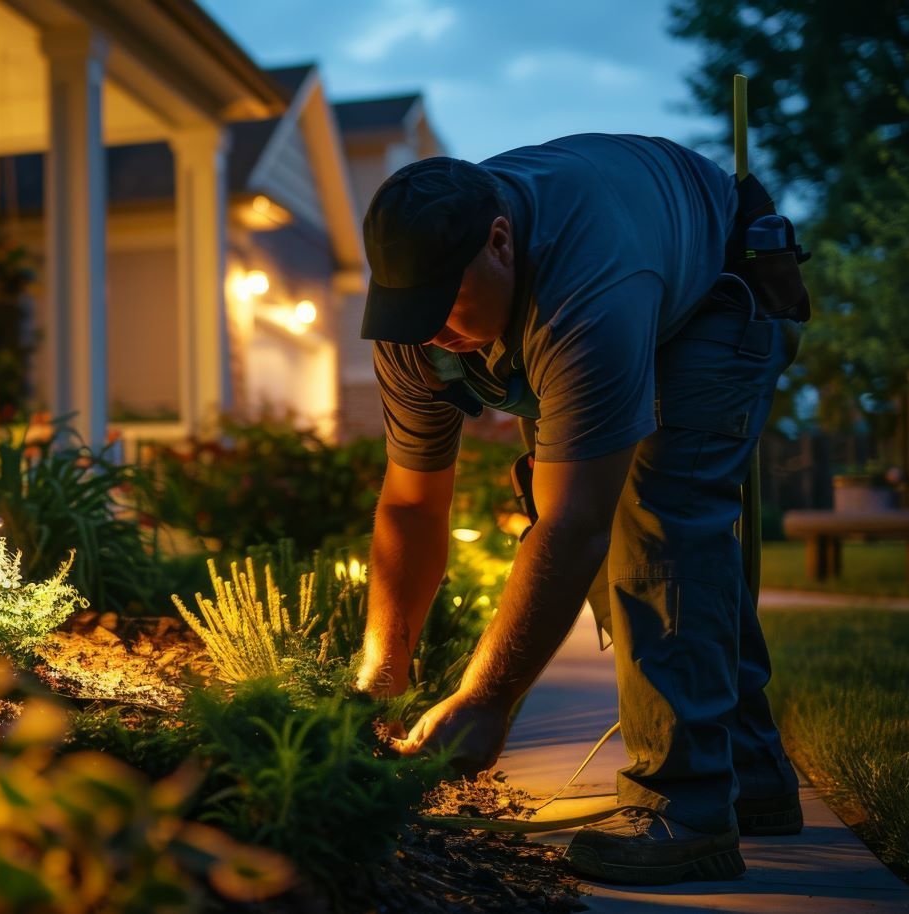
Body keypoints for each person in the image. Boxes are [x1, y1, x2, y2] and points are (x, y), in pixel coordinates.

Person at [352, 134, 804, 886]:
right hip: (615, 280)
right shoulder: (414, 323)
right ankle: (751, 776)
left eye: (443, 307)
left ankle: (686, 811)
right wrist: (381, 680)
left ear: (499, 241)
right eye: (410, 311)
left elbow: (575, 525)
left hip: (717, 291)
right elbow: (409, 508)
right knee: (585, 520)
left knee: (656, 524)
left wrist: (484, 699)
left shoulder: (587, 287)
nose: (431, 332)